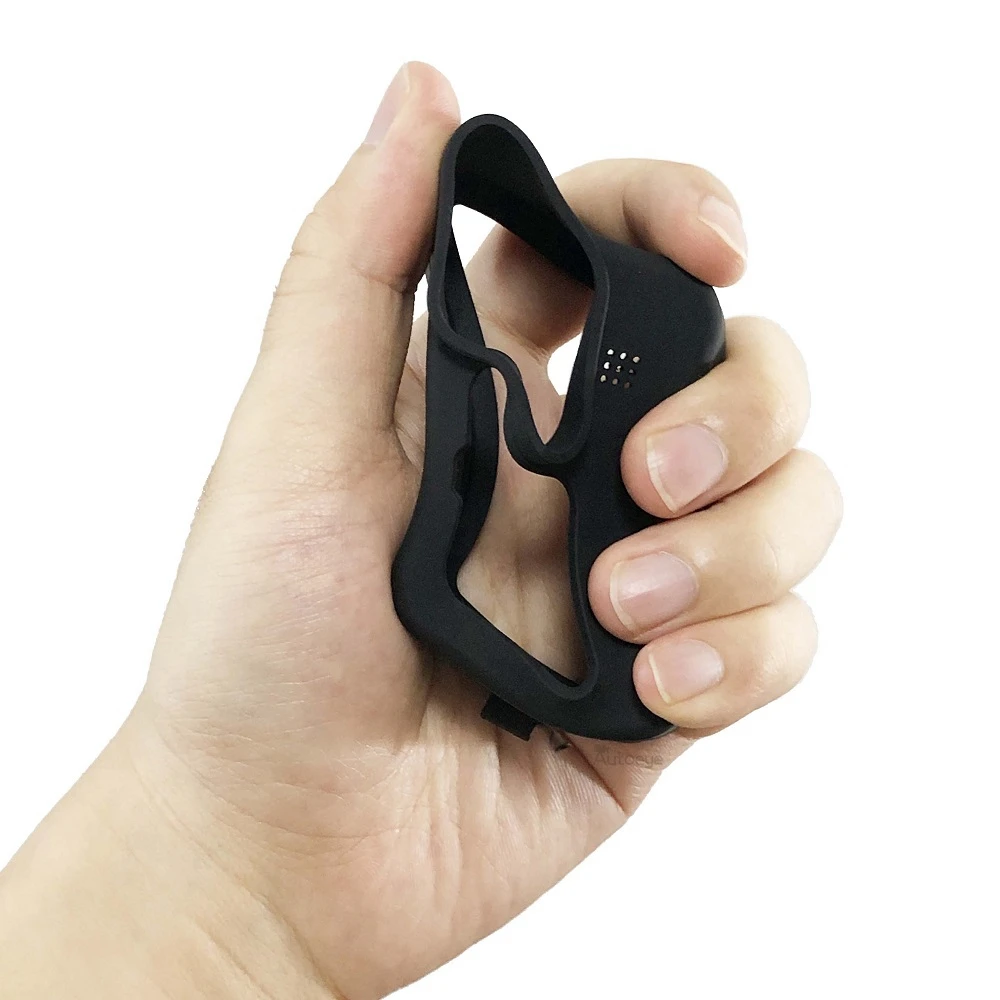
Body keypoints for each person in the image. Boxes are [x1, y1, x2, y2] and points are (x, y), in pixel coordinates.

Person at [0, 62, 842, 998]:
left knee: (676, 342)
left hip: (542, 681)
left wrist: (233, 883)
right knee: (674, 327)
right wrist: (229, 858)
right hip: (474, 682)